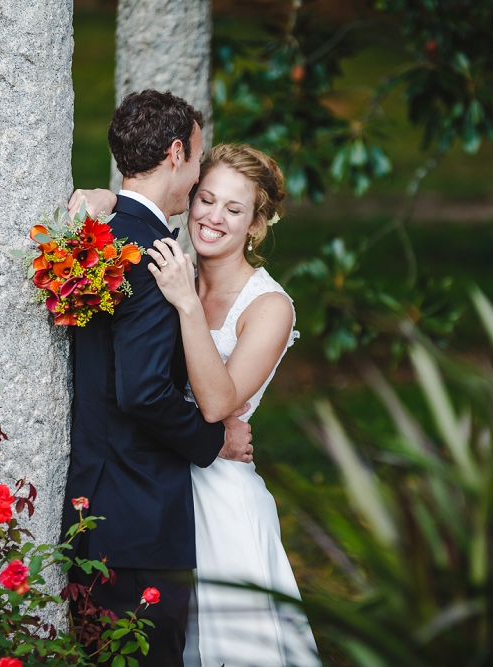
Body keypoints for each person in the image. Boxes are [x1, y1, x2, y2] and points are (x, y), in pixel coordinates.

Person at [73, 144, 320, 667]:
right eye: (206, 199)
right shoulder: (165, 263)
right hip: (154, 483)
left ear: (256, 224)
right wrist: (106, 200)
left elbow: (217, 405)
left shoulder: (270, 307)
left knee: (223, 649)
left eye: (234, 210)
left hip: (219, 496)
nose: (213, 217)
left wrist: (187, 304)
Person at [61, 90, 254, 667]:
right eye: (198, 159)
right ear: (177, 153)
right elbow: (144, 390)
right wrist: (211, 440)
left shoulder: (95, 233)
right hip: (138, 516)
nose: (197, 175)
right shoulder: (153, 257)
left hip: (94, 499)